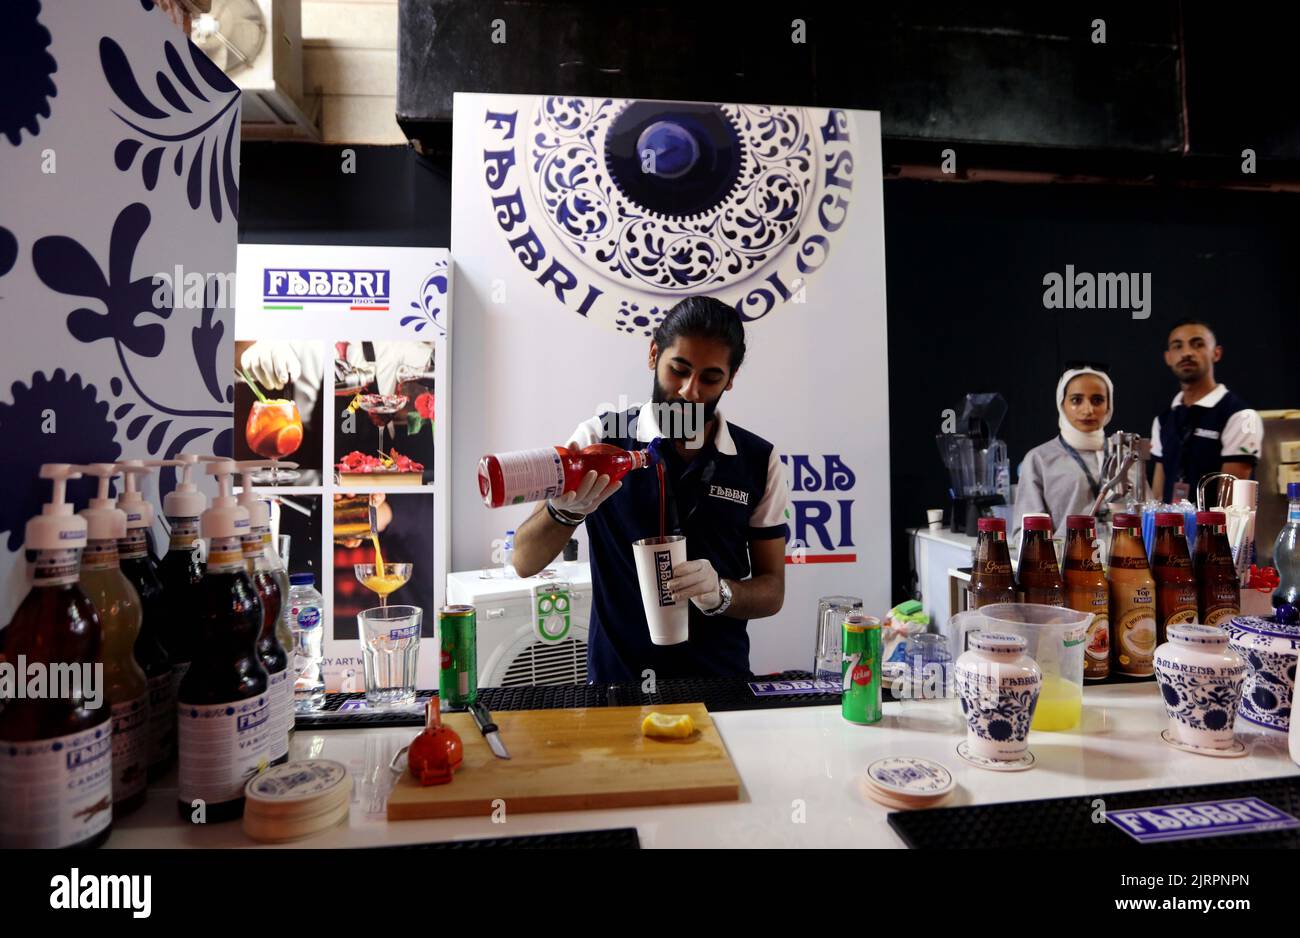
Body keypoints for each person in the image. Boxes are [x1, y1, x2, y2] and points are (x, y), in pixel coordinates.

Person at [511, 296, 789, 682]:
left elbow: (772, 590)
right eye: (679, 370)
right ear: (653, 354)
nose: (690, 391)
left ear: (731, 378)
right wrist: (564, 512)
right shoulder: (600, 437)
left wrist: (721, 593)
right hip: (616, 685)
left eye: (710, 378)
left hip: (721, 684)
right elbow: (524, 561)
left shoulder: (758, 459)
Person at [1150, 320, 1263, 504]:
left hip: (1218, 523)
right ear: (1168, 357)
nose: (1186, 353)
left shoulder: (1240, 416)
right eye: (1178, 346)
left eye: (1198, 344)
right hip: (1171, 523)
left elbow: (1231, 505)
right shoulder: (1162, 421)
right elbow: (1158, 495)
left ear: (1216, 353)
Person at [1013, 364, 1117, 545]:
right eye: (1076, 400)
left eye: (1097, 400)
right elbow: (1026, 533)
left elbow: (1147, 519)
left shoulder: (1126, 456)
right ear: (1061, 403)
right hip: (1064, 560)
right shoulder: (1040, 459)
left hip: (1122, 559)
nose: (1088, 410)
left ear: (1109, 405)